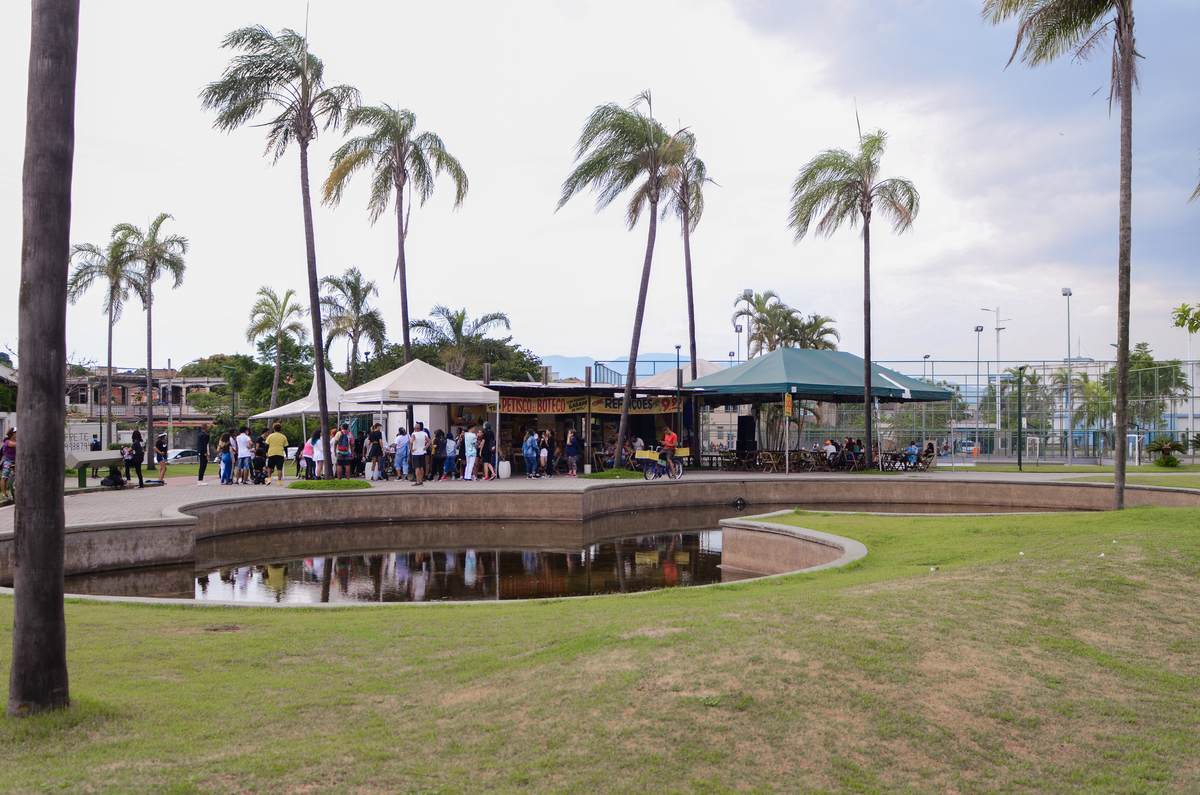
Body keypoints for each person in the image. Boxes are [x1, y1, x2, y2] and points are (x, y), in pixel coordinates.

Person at [0, 428, 15, 501]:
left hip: (15, 460)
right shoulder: (7, 441)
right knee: (5, 476)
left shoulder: (16, 440)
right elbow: (15, 445)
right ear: (13, 433)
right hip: (7, 460)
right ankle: (4, 494)